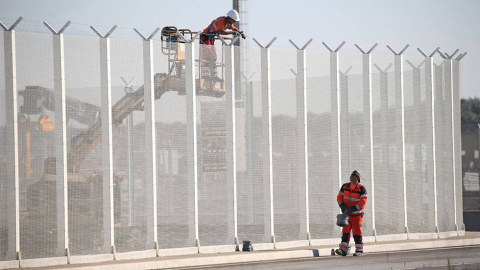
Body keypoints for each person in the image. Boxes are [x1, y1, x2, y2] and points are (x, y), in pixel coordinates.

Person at [199, 9, 245, 79]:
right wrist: (231, 33)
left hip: (211, 38)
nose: (234, 22)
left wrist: (240, 32)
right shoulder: (221, 21)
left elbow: (233, 28)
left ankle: (214, 75)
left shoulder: (228, 23)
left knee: (213, 57)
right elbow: (221, 31)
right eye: (234, 20)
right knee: (207, 56)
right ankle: (205, 75)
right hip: (205, 37)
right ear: (230, 18)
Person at [335, 170, 368, 256]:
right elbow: (339, 197)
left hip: (357, 215)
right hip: (347, 215)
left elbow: (362, 202)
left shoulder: (362, 189)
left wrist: (351, 209)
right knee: (345, 232)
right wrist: (342, 206)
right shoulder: (345, 186)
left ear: (357, 178)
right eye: (351, 176)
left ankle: (359, 250)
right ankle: (343, 249)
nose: (351, 177)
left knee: (357, 232)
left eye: (353, 176)